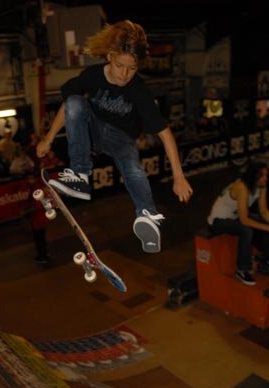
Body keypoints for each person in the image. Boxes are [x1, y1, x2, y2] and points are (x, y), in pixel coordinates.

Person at [36, 20, 192, 253]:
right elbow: (69, 108)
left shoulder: (139, 91)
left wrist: (179, 177)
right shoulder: (91, 76)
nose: (125, 75)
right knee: (74, 101)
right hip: (94, 130)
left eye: (132, 68)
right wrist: (48, 139)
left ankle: (147, 216)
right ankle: (79, 174)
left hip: (122, 139)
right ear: (110, 56)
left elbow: (165, 134)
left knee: (133, 169)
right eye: (120, 66)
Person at [207, 162, 269, 286]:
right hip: (218, 221)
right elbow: (244, 220)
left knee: (263, 221)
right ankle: (242, 269)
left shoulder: (261, 186)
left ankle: (266, 259)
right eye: (262, 175)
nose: (266, 178)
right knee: (246, 230)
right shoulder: (242, 188)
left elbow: (264, 211)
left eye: (266, 175)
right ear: (254, 176)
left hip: (234, 217)